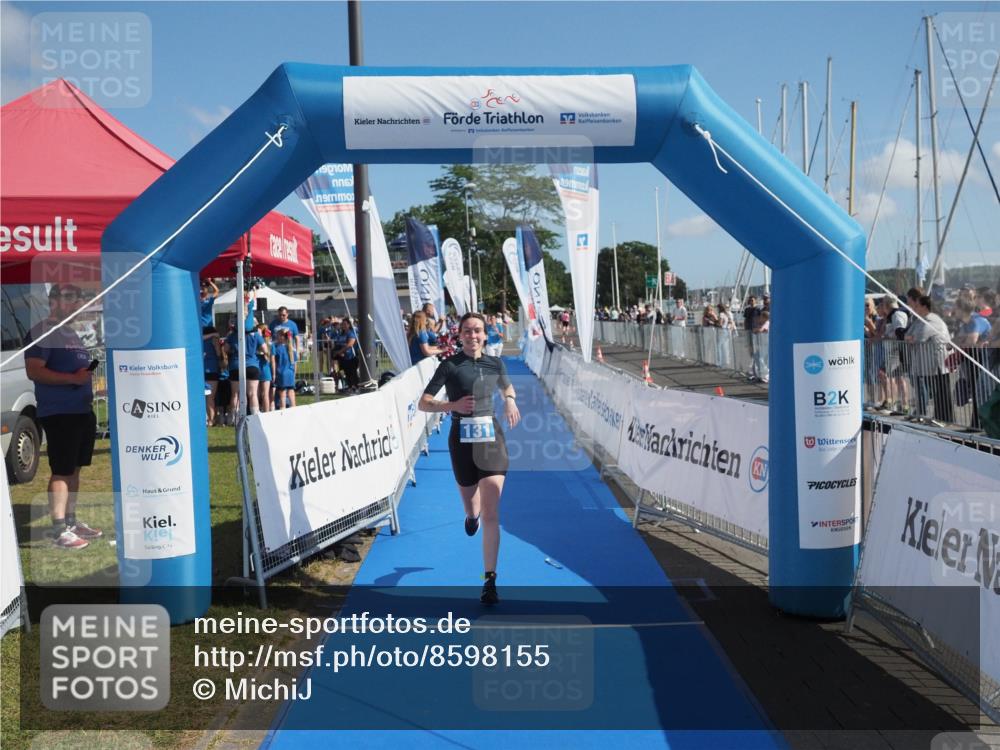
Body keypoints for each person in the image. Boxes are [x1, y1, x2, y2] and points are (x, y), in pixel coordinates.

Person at [418, 312, 520, 605]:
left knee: (492, 512)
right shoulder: (449, 366)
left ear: (485, 335)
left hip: (491, 442)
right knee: (473, 506)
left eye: (477, 331)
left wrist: (510, 400)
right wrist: (454, 405)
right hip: (461, 443)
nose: (473, 336)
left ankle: (489, 580)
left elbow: (507, 387)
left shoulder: (495, 363)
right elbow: (424, 403)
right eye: (467, 331)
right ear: (459, 335)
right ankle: (470, 516)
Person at [25, 284, 102, 549]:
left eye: (78, 298)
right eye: (71, 298)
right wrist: (73, 378)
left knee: (75, 469)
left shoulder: (71, 333)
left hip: (82, 411)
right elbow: (34, 370)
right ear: (54, 301)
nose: (77, 304)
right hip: (60, 413)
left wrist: (84, 374)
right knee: (61, 469)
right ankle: (59, 529)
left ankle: (70, 521)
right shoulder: (43, 331)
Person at [906, 294, 953, 425]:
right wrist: (911, 338)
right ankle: (939, 417)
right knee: (937, 390)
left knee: (942, 390)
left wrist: (912, 338)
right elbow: (907, 335)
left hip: (939, 361)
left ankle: (944, 419)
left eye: (916, 306)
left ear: (924, 306)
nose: (914, 308)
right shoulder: (919, 320)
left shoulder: (932, 320)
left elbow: (920, 338)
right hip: (928, 362)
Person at [225, 325, 265, 415]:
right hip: (252, 365)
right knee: (252, 393)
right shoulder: (256, 335)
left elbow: (225, 349)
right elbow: (265, 349)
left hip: (236, 365)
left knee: (235, 393)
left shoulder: (232, 335)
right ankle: (255, 414)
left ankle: (234, 417)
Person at [333, 317, 361, 391]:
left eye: (345, 324)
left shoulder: (351, 333)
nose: (343, 325)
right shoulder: (341, 334)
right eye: (342, 324)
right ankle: (350, 387)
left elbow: (350, 344)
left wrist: (340, 351)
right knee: (345, 373)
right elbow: (338, 343)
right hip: (342, 358)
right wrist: (337, 351)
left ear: (349, 325)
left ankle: (356, 387)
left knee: (352, 373)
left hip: (351, 356)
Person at [203, 326, 223, 426]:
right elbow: (218, 353)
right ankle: (211, 420)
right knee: (211, 397)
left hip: (202, 369)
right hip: (212, 369)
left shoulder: (201, 340)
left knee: (205, 397)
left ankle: (208, 419)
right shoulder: (214, 339)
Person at [272, 329, 297, 410]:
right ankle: (294, 408)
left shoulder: (278, 349)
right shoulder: (292, 349)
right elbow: (295, 363)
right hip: (290, 372)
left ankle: (282, 408)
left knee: (282, 393)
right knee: (291, 391)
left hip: (281, 373)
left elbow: (275, 363)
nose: (277, 337)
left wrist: (274, 374)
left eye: (278, 335)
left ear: (282, 337)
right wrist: (294, 374)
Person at [256, 325, 273, 413]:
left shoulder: (257, 343)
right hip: (266, 370)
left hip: (257, 370)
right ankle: (266, 412)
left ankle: (257, 411)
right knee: (265, 394)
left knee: (257, 394)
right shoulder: (270, 344)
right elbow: (272, 361)